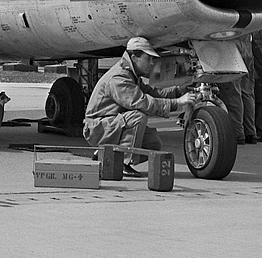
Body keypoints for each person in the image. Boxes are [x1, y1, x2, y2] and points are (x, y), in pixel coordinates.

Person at [83, 36, 197, 176]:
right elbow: (143, 102)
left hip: (111, 124)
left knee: (153, 145)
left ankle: (105, 154)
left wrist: (180, 90)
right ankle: (121, 163)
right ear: (134, 56)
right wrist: (178, 103)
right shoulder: (119, 78)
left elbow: (153, 93)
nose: (151, 63)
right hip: (98, 128)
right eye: (148, 59)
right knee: (138, 116)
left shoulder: (131, 75)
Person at [217, 34, 256, 144]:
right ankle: (250, 132)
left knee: (232, 92)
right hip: (247, 48)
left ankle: (237, 132)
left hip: (232, 47)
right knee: (247, 92)